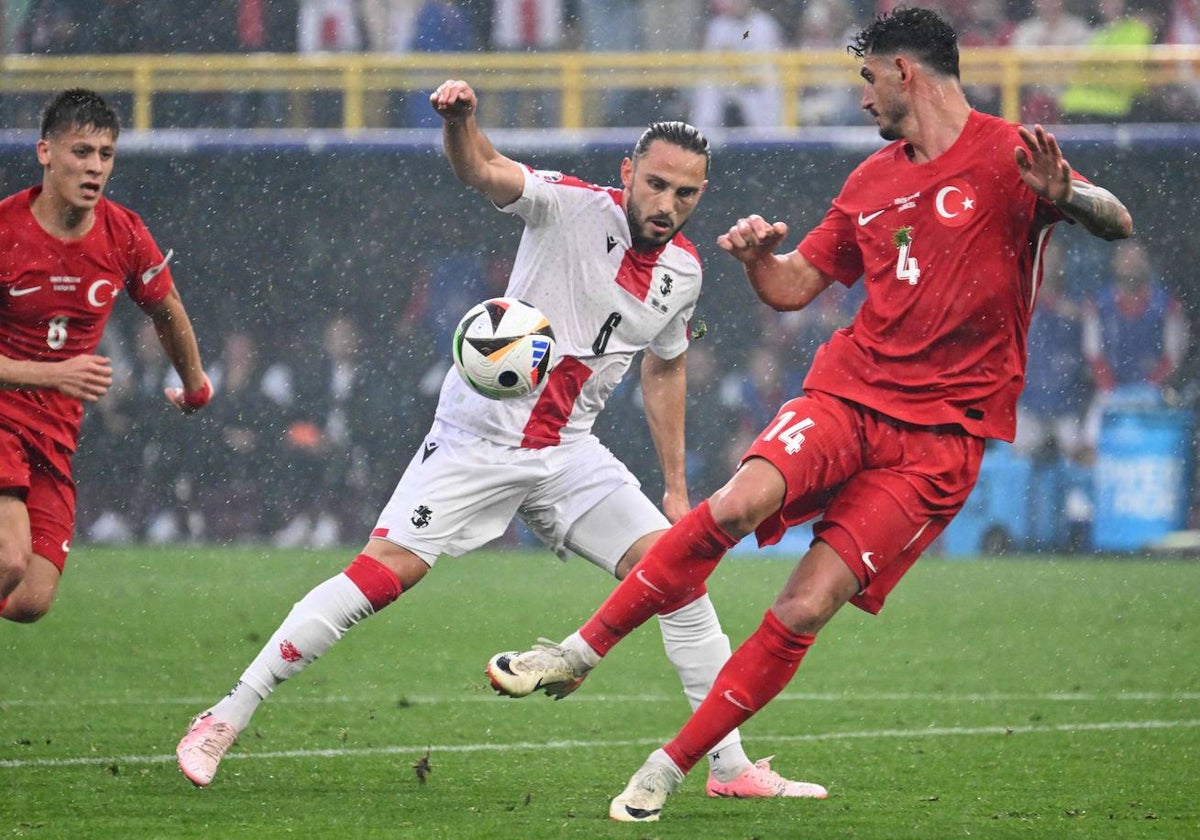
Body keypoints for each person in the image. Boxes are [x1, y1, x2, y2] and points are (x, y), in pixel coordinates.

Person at [486, 7, 1133, 822]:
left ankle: (669, 765)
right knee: (735, 504)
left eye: (868, 79)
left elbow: (1118, 222)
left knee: (802, 607)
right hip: (849, 395)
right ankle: (576, 653)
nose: (862, 99)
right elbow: (796, 287)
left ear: (905, 72)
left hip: (941, 442)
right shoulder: (870, 183)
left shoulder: (1011, 155)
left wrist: (1067, 192)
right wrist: (761, 261)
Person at [176, 77, 822, 801]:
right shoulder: (569, 206)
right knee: (384, 576)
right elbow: (481, 168)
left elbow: (665, 368)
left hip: (570, 452)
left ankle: (729, 767)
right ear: (627, 176)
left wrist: (674, 486)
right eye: (657, 185)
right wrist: (461, 122)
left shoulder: (685, 273)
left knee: (679, 577)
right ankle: (225, 715)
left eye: (687, 194)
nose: (668, 206)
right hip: (476, 440)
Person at [0, 88, 212, 623]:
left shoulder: (122, 232)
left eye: (105, 155)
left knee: (29, 601)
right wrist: (53, 373)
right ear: (44, 152)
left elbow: (167, 310)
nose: (94, 167)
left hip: (53, 436)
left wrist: (195, 384)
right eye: (80, 152)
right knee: (7, 559)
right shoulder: (5, 233)